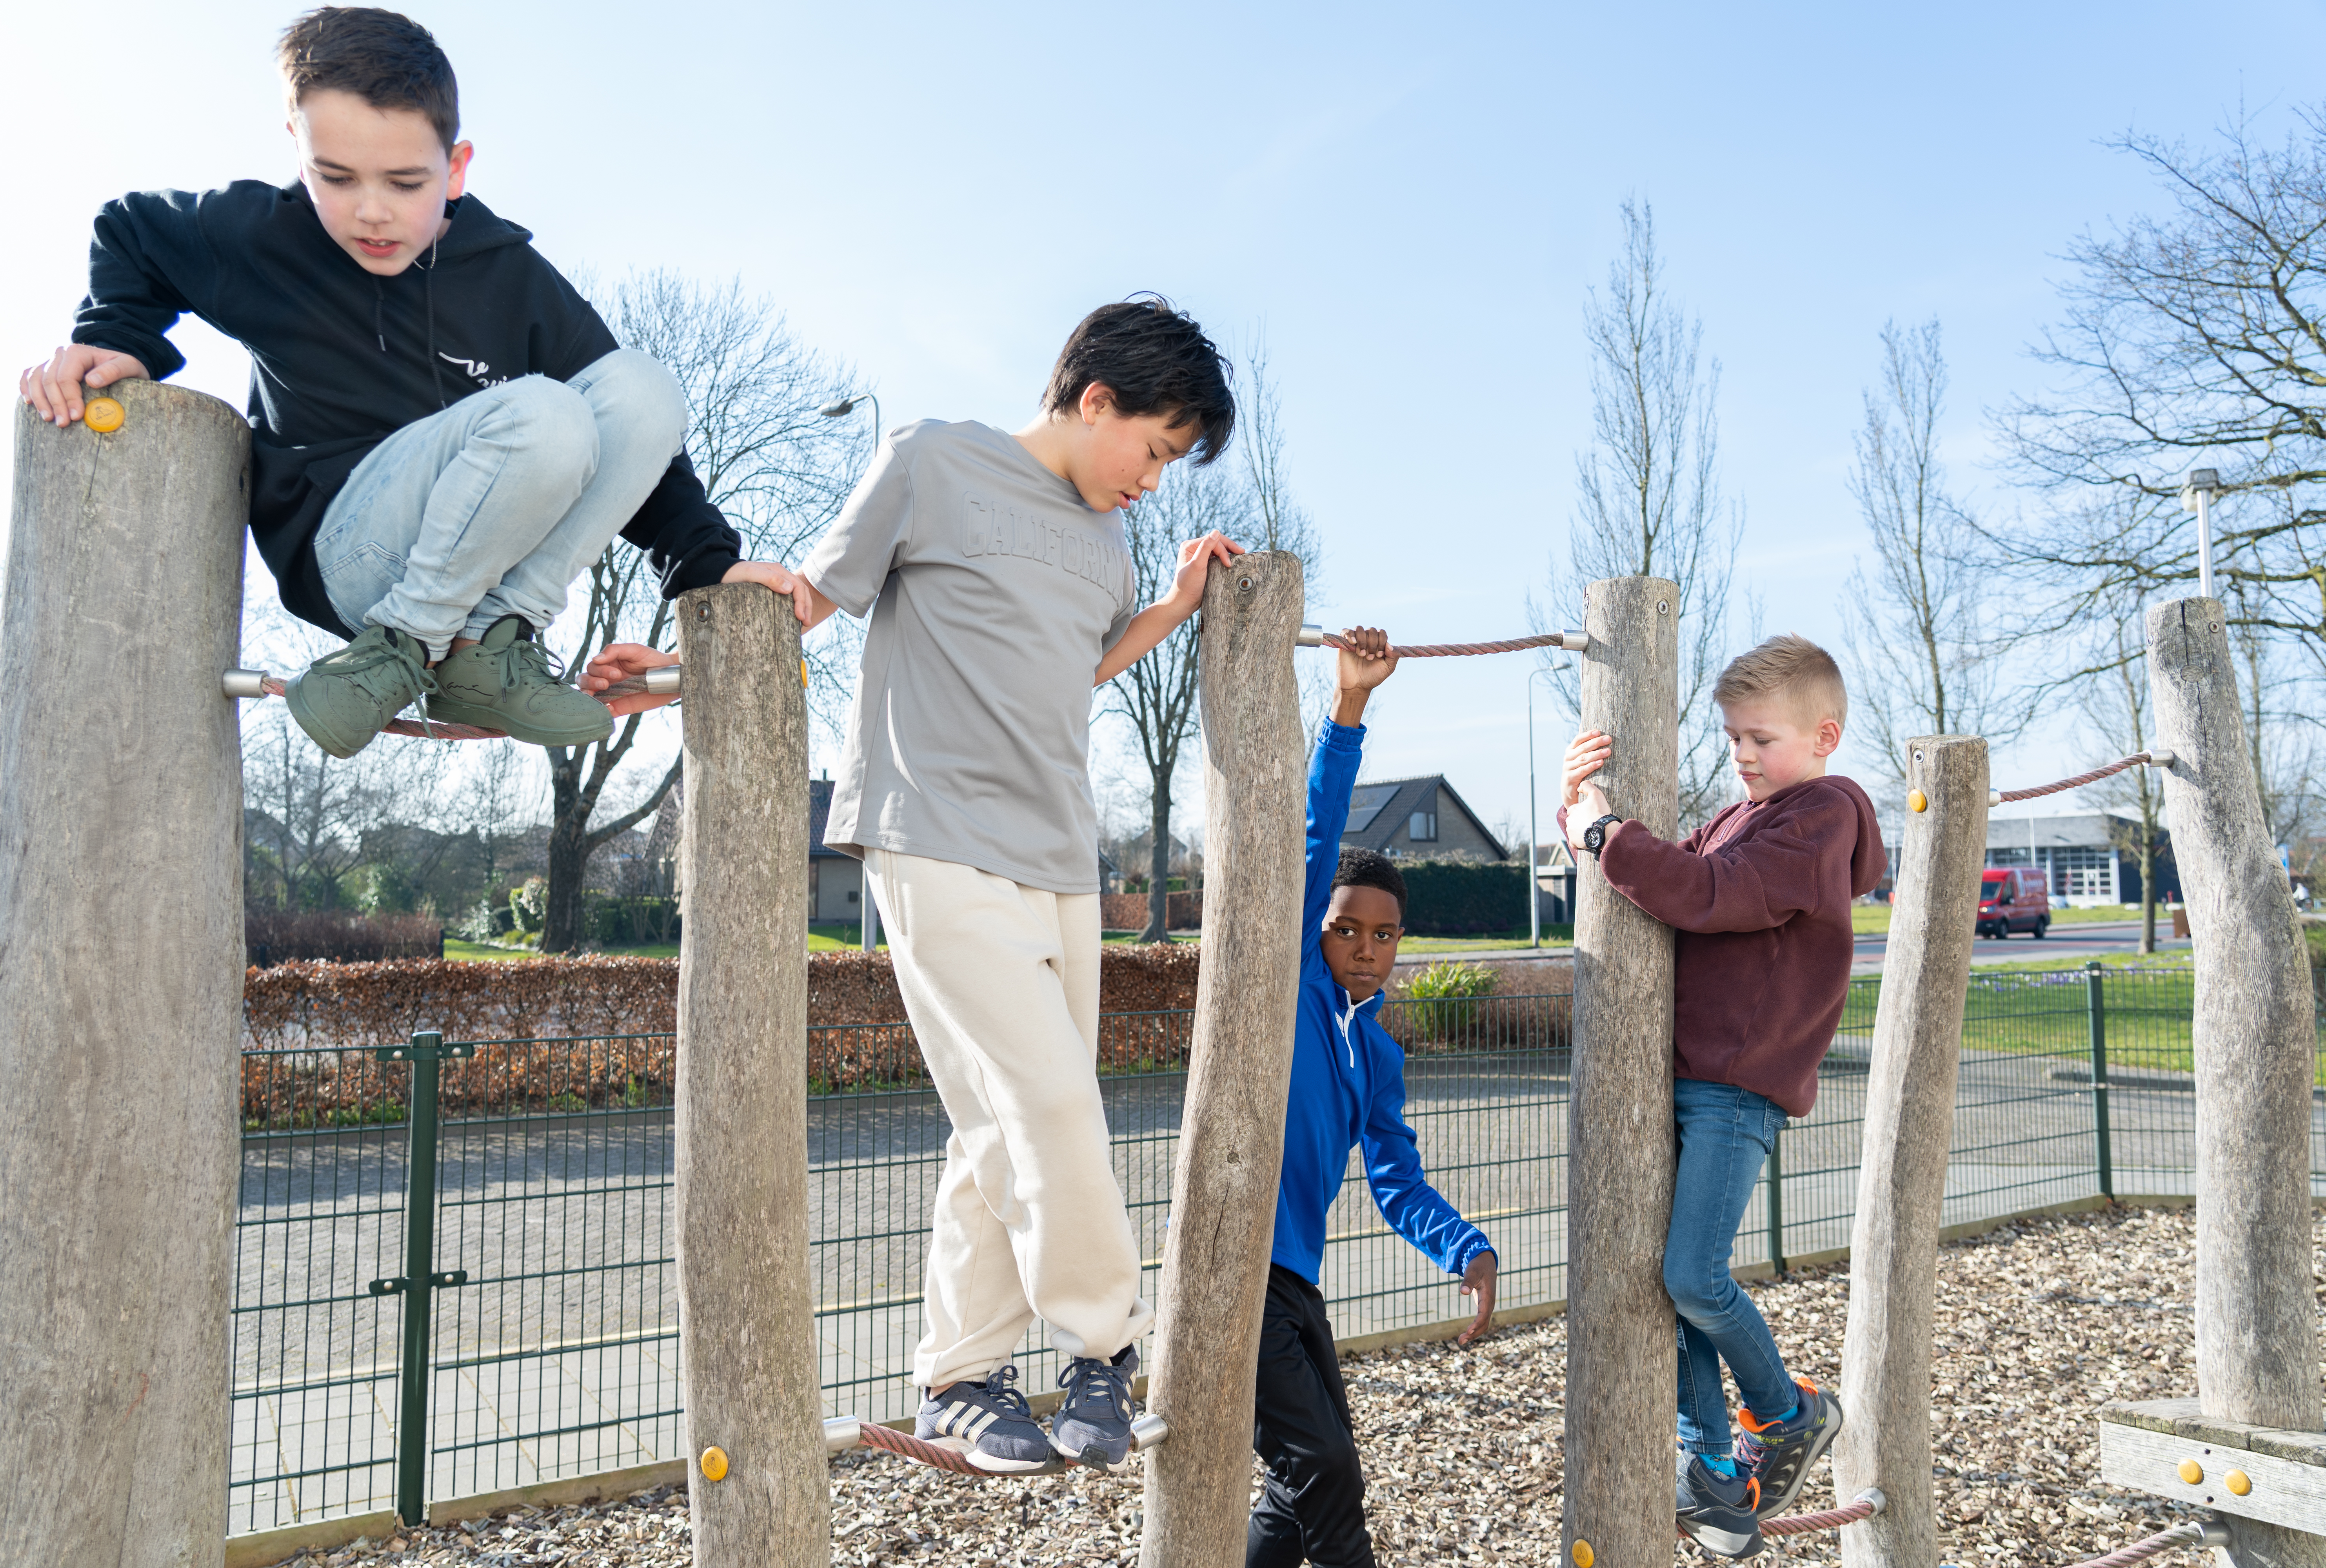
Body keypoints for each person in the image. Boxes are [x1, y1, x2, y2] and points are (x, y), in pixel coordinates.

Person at [591, 297, 1241, 1473]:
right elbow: (805, 602)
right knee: (1051, 1103)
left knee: (999, 1117)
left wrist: (1173, 607)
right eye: (1153, 450)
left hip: (1060, 855)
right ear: (1096, 399)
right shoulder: (932, 460)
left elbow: (1078, 669)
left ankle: (959, 1377)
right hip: (931, 834)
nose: (1153, 481)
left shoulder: (1109, 544)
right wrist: (680, 670)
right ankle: (1104, 1343)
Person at [17, 6, 754, 759]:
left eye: (405, 183)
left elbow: (636, 438)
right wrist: (116, 338)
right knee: (546, 415)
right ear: (298, 147)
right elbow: (132, 230)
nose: (372, 213)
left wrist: (710, 565)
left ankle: (492, 645)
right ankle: (406, 642)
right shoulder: (267, 237)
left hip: (484, 566)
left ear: (456, 168)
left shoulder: (510, 278)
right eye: (335, 178)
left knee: (643, 386)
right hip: (351, 555)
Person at [1559, 633, 1886, 1559]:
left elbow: (1705, 891)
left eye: (1761, 739)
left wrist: (1606, 835)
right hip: (1688, 1074)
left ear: (1823, 736)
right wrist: (1582, 804)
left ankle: (1786, 1410)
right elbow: (1659, 867)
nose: (1742, 754)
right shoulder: (1746, 814)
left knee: (1693, 1275)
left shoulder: (1819, 816)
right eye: (1734, 737)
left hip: (1737, 1084)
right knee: (1667, 1278)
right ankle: (1712, 1466)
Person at [1250, 624, 1500, 1567]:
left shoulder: (1379, 1055)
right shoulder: (1293, 987)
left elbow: (1397, 1182)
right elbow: (1318, 834)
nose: (1364, 946)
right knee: (1326, 1469)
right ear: (1318, 930)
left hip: (1296, 1282)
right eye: (1346, 928)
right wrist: (1349, 706)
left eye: (1384, 934)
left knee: (1302, 1481)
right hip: (1239, 1271)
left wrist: (1467, 1247)